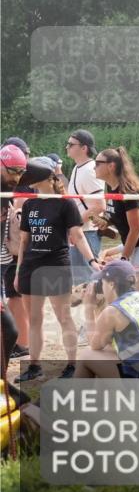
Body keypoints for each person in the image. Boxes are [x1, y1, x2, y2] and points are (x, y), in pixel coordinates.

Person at [14, 158, 101, 382]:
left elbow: (78, 236)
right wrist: (18, 272)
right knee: (34, 318)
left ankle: (72, 364)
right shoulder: (29, 204)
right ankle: (34, 365)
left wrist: (91, 261)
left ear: (45, 177)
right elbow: (24, 241)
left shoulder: (65, 204)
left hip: (55, 265)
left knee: (64, 317)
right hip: (30, 266)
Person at [92, 147, 139, 293]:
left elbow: (136, 228)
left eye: (97, 163)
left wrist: (123, 259)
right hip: (131, 245)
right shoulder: (111, 188)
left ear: (111, 166)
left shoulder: (128, 191)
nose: (94, 166)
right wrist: (105, 221)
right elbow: (116, 215)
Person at [65, 129, 105, 286]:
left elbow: (99, 205)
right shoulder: (78, 167)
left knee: (86, 285)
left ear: (84, 148)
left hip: (86, 234)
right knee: (81, 285)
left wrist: (73, 225)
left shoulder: (90, 170)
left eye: (70, 144)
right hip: (81, 233)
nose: (67, 147)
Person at [1, 144, 29, 358]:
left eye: (21, 172)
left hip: (3, 264)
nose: (17, 177)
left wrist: (18, 160)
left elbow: (44, 171)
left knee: (8, 333)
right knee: (9, 331)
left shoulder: (7, 188)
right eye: (13, 171)